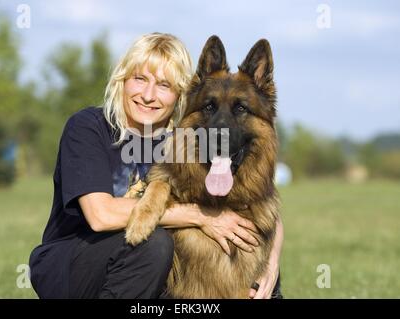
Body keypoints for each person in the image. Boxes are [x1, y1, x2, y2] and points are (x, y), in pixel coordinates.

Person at [29, 32, 284, 299]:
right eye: (140, 79)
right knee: (156, 245)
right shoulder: (89, 128)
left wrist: (271, 262)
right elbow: (100, 216)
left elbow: (262, 205)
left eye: (164, 85)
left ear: (179, 94)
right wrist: (199, 215)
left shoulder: (180, 139)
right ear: (123, 79)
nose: (149, 95)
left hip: (139, 270)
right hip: (73, 261)